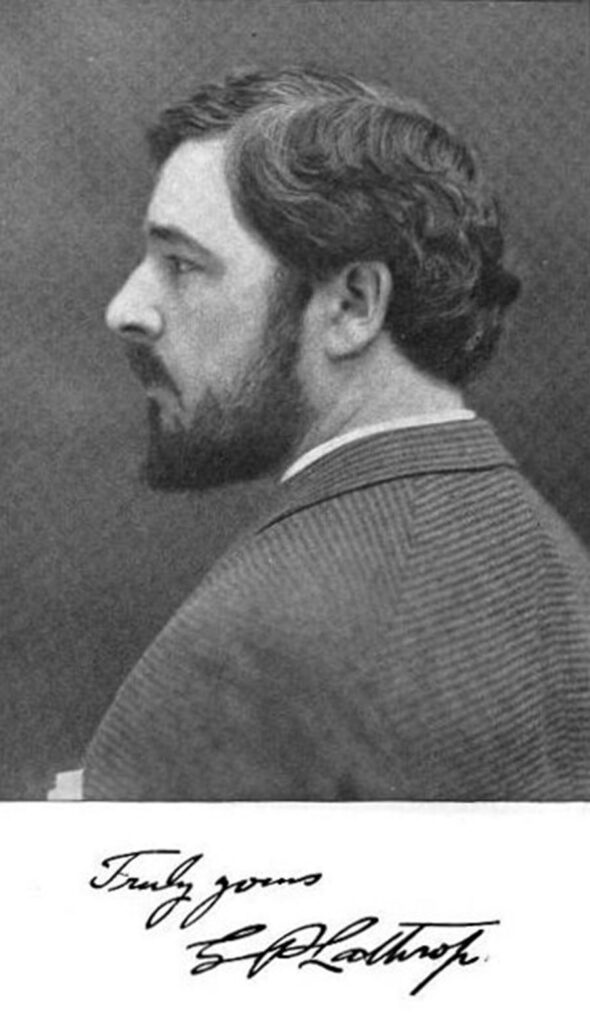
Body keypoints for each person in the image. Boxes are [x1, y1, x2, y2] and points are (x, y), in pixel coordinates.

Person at [80, 65, 590, 801]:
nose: (126, 308)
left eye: (182, 264)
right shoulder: (557, 570)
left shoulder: (241, 657)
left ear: (352, 305)